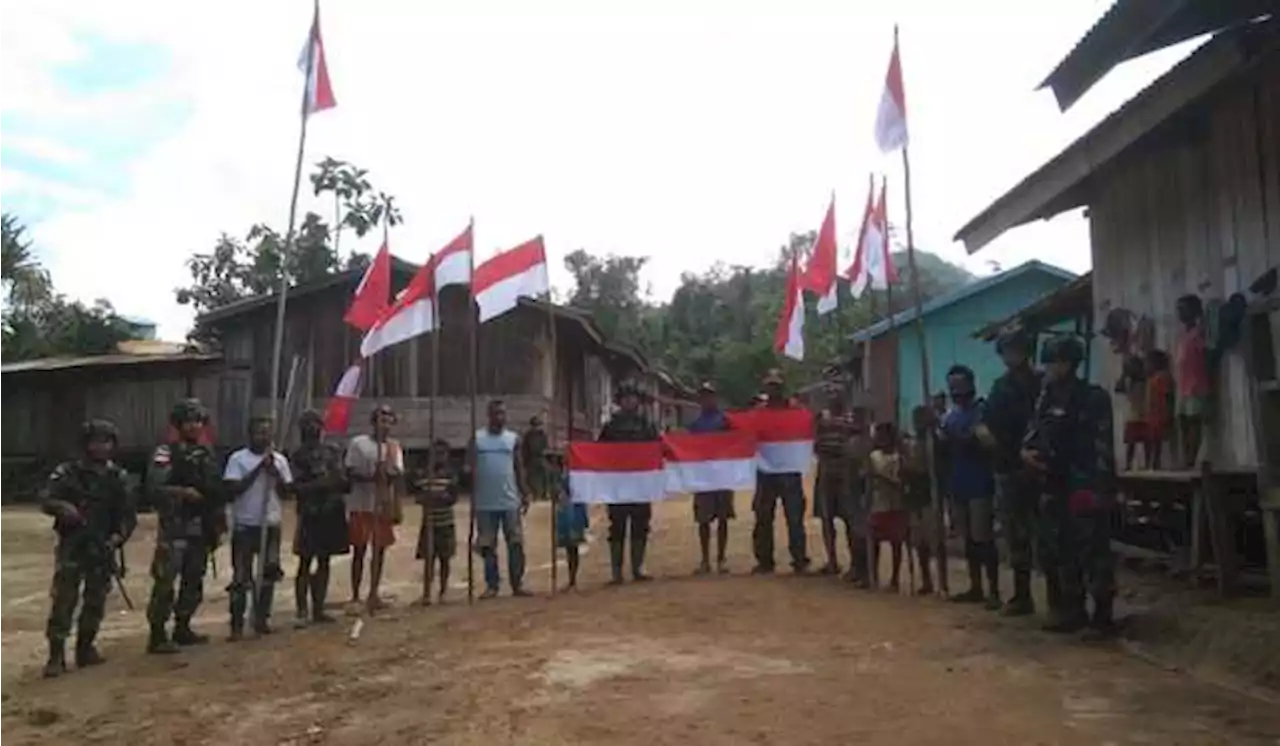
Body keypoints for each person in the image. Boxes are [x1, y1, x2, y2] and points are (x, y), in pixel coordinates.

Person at [1023, 335, 1119, 638]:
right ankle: (1071, 609)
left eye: (1056, 361)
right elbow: (1033, 435)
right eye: (1049, 361)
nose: (1051, 367)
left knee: (1093, 552)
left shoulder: (1092, 397)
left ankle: (1102, 617)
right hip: (1053, 483)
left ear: (1070, 363)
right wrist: (1027, 455)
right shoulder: (1046, 398)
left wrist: (1101, 488)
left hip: (1084, 482)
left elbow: (1102, 446)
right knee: (1059, 550)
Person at [40, 419, 136, 678]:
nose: (101, 447)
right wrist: (63, 508)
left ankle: (86, 648)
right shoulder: (68, 472)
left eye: (106, 442)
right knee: (64, 600)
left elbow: (127, 515)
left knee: (95, 600)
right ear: (86, 444)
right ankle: (56, 655)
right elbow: (47, 499)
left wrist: (118, 537)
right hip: (73, 545)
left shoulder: (118, 477)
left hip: (102, 546)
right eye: (95, 441)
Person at [145, 398, 223, 654]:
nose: (194, 426)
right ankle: (157, 634)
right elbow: (154, 488)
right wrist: (182, 492)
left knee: (194, 579)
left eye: (198, 421)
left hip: (201, 527)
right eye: (189, 421)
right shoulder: (166, 452)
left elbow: (215, 490)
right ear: (179, 424)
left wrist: (218, 521)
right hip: (175, 526)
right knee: (166, 581)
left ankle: (183, 626)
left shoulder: (207, 453)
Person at [983, 330, 1043, 616]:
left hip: (1042, 467)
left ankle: (1060, 597)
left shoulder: (1042, 385)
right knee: (1015, 535)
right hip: (1009, 466)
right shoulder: (1000, 388)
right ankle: (1022, 595)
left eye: (1015, 350)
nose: (1011, 356)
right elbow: (990, 427)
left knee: (1046, 535)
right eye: (1007, 351)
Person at [223, 416, 292, 639]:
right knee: (241, 577)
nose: (264, 437)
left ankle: (261, 619)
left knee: (268, 574)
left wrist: (274, 473)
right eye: (259, 432)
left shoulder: (279, 460)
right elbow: (234, 489)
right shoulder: (238, 459)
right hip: (245, 525)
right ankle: (236, 624)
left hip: (270, 523)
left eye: (267, 432)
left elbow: (287, 493)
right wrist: (258, 469)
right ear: (250, 435)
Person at [940, 365, 1000, 610]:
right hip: (958, 483)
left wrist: (955, 437)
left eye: (961, 386)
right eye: (953, 386)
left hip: (979, 483)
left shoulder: (982, 412)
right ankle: (976, 587)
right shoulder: (950, 417)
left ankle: (993, 590)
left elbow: (984, 442)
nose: (957, 391)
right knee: (968, 540)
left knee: (982, 538)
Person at [289, 410, 348, 627]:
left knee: (324, 561)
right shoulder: (297, 456)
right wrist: (318, 484)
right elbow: (293, 487)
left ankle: (319, 608)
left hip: (331, 511)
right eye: (308, 425)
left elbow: (343, 482)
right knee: (305, 561)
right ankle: (302, 610)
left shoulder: (332, 451)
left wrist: (335, 479)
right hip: (310, 512)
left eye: (316, 424)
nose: (313, 429)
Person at [598, 380, 661, 584]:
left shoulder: (647, 426)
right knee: (616, 527)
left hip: (640, 484)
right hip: (617, 485)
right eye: (625, 398)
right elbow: (599, 452)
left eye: (632, 398)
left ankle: (637, 568)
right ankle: (617, 572)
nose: (629, 401)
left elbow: (657, 450)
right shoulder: (610, 428)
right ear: (620, 401)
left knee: (641, 524)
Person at [345, 404, 404, 612]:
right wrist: (372, 477)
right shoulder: (359, 444)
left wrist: (387, 475)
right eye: (381, 420)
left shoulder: (394, 447)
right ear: (373, 422)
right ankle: (354, 595)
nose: (385, 425)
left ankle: (373, 593)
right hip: (362, 504)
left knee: (380, 551)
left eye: (389, 421)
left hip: (382, 505)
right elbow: (350, 472)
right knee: (359, 550)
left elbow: (397, 475)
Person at [752, 369, 811, 575]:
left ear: (782, 388)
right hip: (766, 471)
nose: (773, 388)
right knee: (763, 517)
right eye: (770, 385)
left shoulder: (796, 411)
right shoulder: (758, 413)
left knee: (794, 517)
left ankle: (799, 559)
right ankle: (765, 560)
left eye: (776, 385)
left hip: (789, 471)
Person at [472, 399, 532, 599]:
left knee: (515, 543)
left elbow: (519, 467)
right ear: (489, 416)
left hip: (509, 500)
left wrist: (525, 492)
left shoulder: (512, 439)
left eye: (503, 414)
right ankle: (492, 584)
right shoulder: (477, 439)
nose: (500, 418)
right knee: (487, 545)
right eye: (496, 414)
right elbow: (469, 467)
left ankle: (517, 583)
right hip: (484, 502)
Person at [812, 386, 863, 578]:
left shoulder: (852, 418)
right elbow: (815, 442)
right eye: (831, 395)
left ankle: (855, 564)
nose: (834, 399)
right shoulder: (822, 417)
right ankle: (832, 560)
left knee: (850, 517)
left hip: (846, 470)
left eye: (838, 395)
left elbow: (858, 439)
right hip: (826, 468)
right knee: (826, 517)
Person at [688, 382, 735, 575]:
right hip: (704, 477)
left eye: (710, 396)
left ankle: (721, 558)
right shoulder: (695, 425)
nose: (707, 400)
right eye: (704, 396)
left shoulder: (726, 421)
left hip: (723, 475)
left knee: (723, 518)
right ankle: (705, 559)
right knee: (703, 520)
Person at [411, 439, 458, 605]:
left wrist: (437, 497)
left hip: (445, 521)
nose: (439, 457)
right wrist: (429, 498)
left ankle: (443, 591)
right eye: (436, 454)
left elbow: (452, 497)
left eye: (442, 454)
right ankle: (426, 592)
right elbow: (418, 496)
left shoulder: (450, 474)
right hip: (429, 522)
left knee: (445, 558)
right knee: (428, 559)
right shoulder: (423, 474)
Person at [867, 422, 908, 590]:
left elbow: (902, 482)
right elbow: (868, 482)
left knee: (896, 543)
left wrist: (882, 479)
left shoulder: (900, 458)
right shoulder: (873, 457)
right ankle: (873, 575)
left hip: (896, 504)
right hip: (878, 504)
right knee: (875, 542)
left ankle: (895, 579)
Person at [904, 406, 937, 595]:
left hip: (930, 497)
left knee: (932, 540)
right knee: (919, 543)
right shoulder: (912, 445)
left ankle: (938, 580)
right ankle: (927, 580)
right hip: (915, 498)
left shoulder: (934, 443)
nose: (919, 425)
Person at [1175, 295, 1210, 467]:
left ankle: (1191, 459)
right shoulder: (1184, 334)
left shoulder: (1199, 332)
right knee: (1183, 423)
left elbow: (1205, 355)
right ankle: (1187, 458)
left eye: (1183, 308)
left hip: (1196, 385)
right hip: (1183, 386)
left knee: (1194, 422)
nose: (1179, 312)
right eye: (1178, 309)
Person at [551, 450, 589, 590]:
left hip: (573, 509)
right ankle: (571, 578)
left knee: (572, 546)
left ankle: (572, 578)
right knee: (570, 546)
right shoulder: (560, 475)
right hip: (566, 509)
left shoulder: (575, 474)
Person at [1114, 354, 1149, 470]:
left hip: (1136, 414)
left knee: (1135, 442)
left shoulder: (1135, 381)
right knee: (1139, 442)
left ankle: (1132, 465)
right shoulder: (1140, 381)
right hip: (1138, 414)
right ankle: (1144, 464)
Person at [1144, 349, 1174, 470]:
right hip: (1153, 413)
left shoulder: (1161, 378)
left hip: (1159, 413)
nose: (1145, 366)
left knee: (1155, 440)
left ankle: (1154, 463)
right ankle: (1152, 463)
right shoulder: (1154, 378)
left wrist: (1168, 413)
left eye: (1148, 363)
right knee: (1153, 440)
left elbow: (1167, 396)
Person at [521, 415, 550, 502]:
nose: (537, 427)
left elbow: (545, 447)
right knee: (533, 479)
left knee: (544, 476)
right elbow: (527, 449)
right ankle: (536, 495)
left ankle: (543, 494)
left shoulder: (542, 435)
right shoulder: (529, 435)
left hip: (539, 459)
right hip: (532, 460)